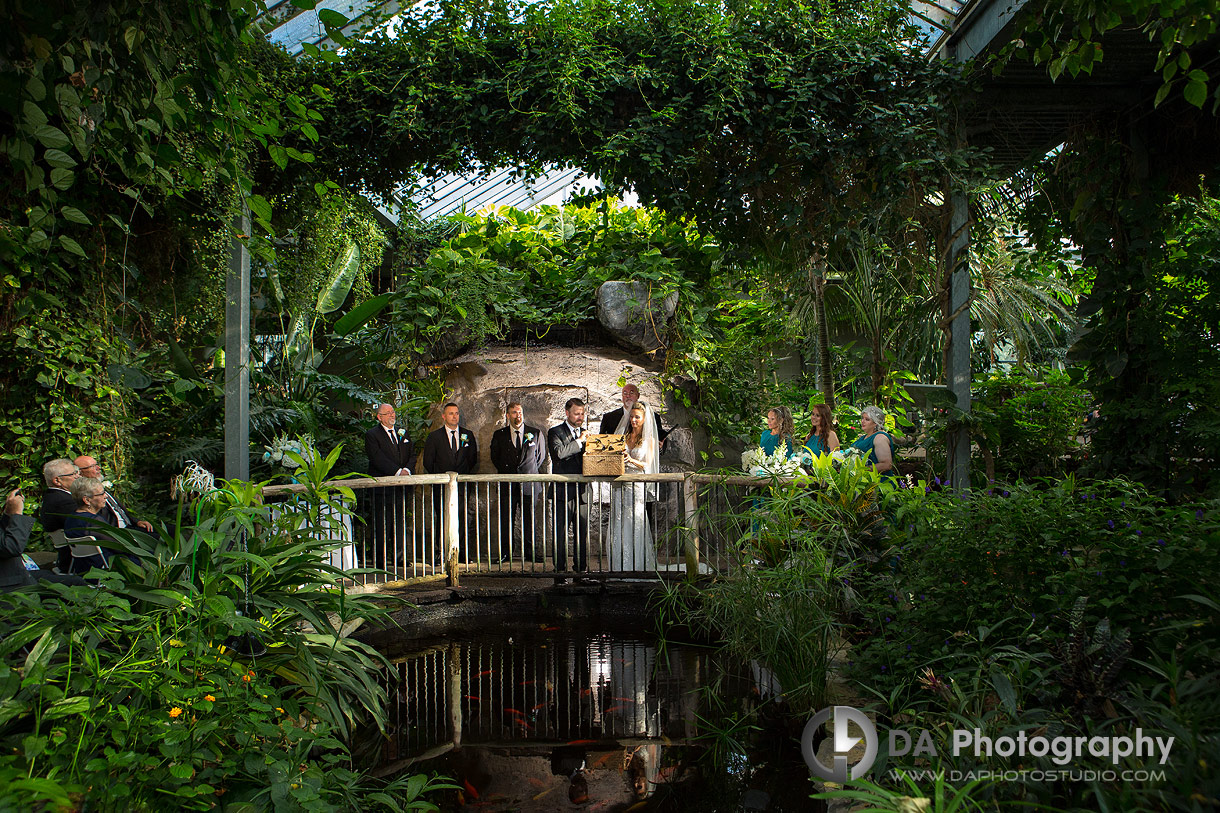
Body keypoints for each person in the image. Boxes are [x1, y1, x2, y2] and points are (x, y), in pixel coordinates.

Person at [490, 402, 547, 563]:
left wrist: (527, 471)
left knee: (530, 519)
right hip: (507, 484)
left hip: (529, 483)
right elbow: (495, 457)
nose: (518, 415)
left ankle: (531, 552)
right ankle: (506, 553)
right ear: (508, 415)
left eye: (520, 412)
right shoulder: (499, 435)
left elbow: (540, 457)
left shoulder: (535, 433)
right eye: (514, 412)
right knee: (506, 519)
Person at [422, 402, 478, 563]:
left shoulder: (467, 435)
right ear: (444, 416)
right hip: (441, 485)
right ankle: (440, 552)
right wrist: (442, 478)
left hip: (461, 485)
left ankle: (461, 553)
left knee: (462, 517)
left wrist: (461, 473)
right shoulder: (434, 437)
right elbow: (428, 461)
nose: (455, 416)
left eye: (457, 413)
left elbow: (472, 458)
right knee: (441, 518)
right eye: (451, 413)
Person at [363, 403, 416, 568]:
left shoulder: (403, 432)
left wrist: (407, 469)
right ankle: (380, 560)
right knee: (382, 523)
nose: (392, 415)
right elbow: (377, 458)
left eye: (393, 412)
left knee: (400, 522)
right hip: (382, 487)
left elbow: (412, 454)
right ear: (379, 417)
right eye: (388, 413)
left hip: (401, 487)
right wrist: (398, 471)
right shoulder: (372, 435)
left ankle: (399, 557)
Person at [1, 488, 84, 590]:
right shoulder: (61, 501)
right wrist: (17, 514)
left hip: (14, 573)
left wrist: (8, 514)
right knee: (77, 584)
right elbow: (12, 547)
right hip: (9, 584)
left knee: (51, 574)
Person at [609, 403, 658, 572]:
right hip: (619, 485)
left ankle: (636, 566)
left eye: (637, 417)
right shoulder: (623, 436)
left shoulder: (649, 440)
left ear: (644, 419)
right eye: (632, 416)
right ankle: (619, 566)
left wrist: (630, 460)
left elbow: (647, 464)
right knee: (619, 523)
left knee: (634, 522)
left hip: (636, 486)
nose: (633, 420)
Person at [547, 398, 589, 574]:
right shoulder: (555, 432)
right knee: (560, 533)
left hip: (583, 492)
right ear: (567, 413)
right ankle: (560, 571)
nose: (580, 417)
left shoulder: (587, 433)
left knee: (582, 534)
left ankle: (581, 570)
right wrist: (579, 441)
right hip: (562, 491)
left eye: (582, 413)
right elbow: (559, 453)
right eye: (576, 413)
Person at [74, 455, 154, 533]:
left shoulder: (98, 486)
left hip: (131, 527)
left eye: (97, 464)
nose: (99, 468)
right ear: (80, 473)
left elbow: (120, 511)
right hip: (121, 535)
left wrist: (137, 522)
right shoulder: (86, 495)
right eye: (93, 466)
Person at [62, 476, 121, 575]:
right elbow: (119, 546)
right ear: (87, 500)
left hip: (83, 570)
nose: (105, 496)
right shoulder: (93, 522)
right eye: (101, 494)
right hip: (103, 570)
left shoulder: (71, 518)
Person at [38, 458, 79, 573]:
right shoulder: (63, 502)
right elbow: (84, 526)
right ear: (57, 481)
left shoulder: (51, 497)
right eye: (72, 474)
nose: (77, 476)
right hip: (76, 560)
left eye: (76, 473)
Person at [600, 383, 668, 450]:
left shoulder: (652, 417)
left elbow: (660, 440)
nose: (628, 396)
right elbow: (600, 442)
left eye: (631, 393)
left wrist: (660, 447)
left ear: (638, 396)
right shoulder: (609, 417)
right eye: (625, 393)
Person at [851, 405, 896, 477]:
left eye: (867, 419)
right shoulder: (864, 437)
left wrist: (861, 469)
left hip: (878, 483)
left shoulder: (880, 438)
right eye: (862, 418)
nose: (863, 421)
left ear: (876, 423)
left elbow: (886, 465)